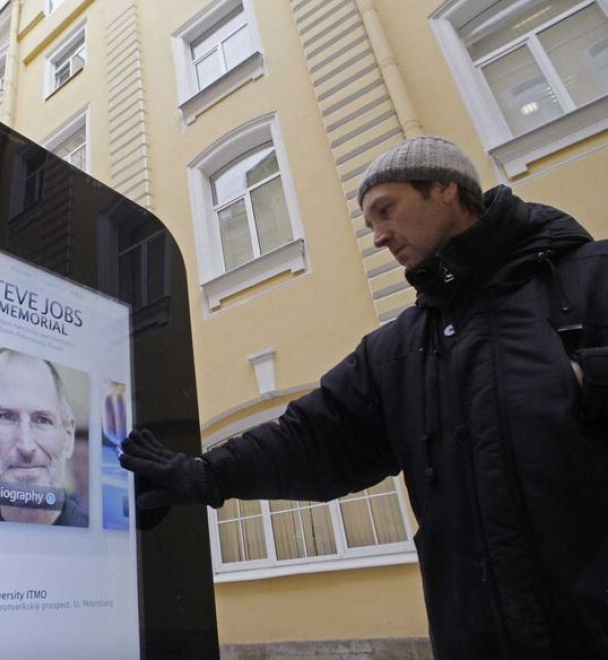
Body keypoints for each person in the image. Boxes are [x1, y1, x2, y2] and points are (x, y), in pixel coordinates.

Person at [120, 137, 608, 658]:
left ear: (445, 188)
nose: (377, 237)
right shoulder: (399, 351)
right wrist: (202, 475)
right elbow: (310, 439)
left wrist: (586, 378)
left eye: (386, 210)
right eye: (370, 221)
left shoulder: (590, 276)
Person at [0, 348, 87, 527]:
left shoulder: (105, 545)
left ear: (68, 437)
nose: (26, 445)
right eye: (6, 416)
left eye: (43, 420)